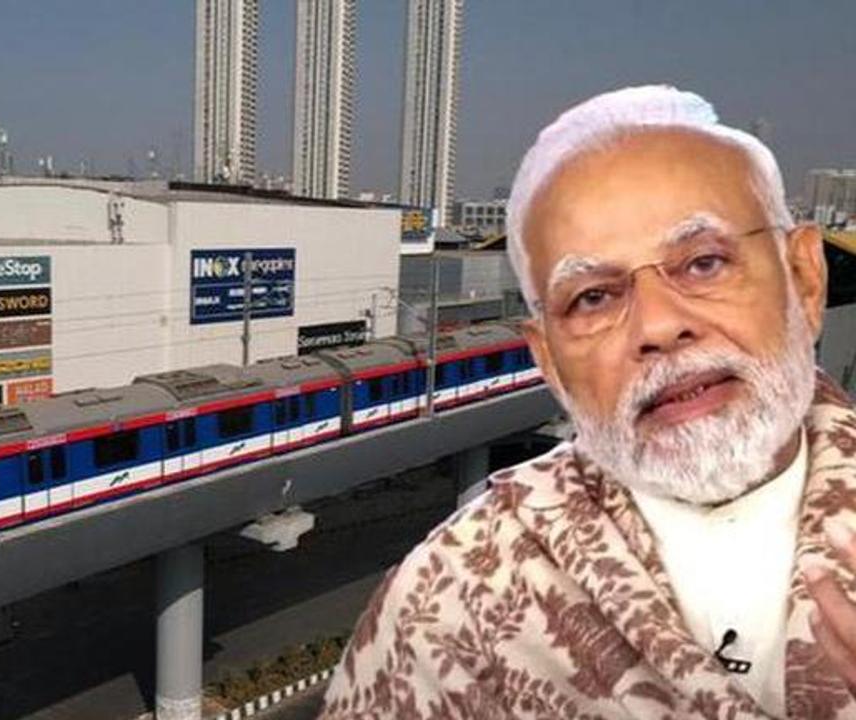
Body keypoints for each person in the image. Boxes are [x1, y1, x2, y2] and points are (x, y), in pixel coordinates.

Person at [322, 85, 856, 718]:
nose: (658, 326)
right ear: (547, 359)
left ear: (804, 278)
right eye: (594, 298)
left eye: (704, 263)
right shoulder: (451, 595)